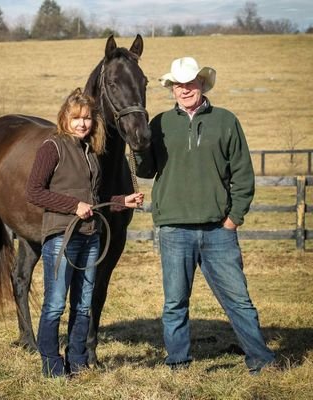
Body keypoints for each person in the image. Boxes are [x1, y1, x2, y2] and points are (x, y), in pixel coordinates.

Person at [134, 57, 275, 374]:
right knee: (174, 304)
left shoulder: (225, 121)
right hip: (174, 229)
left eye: (189, 83)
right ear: (172, 89)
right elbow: (145, 170)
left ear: (202, 84)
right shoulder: (159, 124)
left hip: (218, 230)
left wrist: (233, 218)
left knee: (239, 301)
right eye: (177, 84)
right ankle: (178, 363)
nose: (184, 89)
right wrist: (139, 146)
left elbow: (243, 174)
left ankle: (261, 361)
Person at [26, 87, 144, 378]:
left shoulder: (92, 152)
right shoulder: (52, 147)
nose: (82, 124)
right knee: (55, 305)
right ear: (65, 118)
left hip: (91, 236)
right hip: (61, 238)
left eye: (88, 118)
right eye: (77, 118)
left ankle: (77, 363)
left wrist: (121, 201)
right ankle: (52, 366)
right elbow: (34, 191)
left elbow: (93, 201)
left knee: (82, 305)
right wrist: (72, 205)